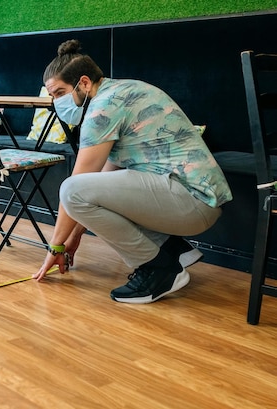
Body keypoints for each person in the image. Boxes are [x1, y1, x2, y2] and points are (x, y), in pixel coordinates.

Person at [33, 39, 232, 304]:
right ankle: (171, 249)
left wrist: (56, 246)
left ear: (83, 83)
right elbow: (100, 184)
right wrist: (75, 235)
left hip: (191, 201)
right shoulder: (123, 90)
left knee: (70, 188)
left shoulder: (102, 110)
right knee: (84, 190)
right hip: (196, 197)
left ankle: (160, 269)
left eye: (59, 93)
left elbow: (78, 185)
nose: (56, 102)